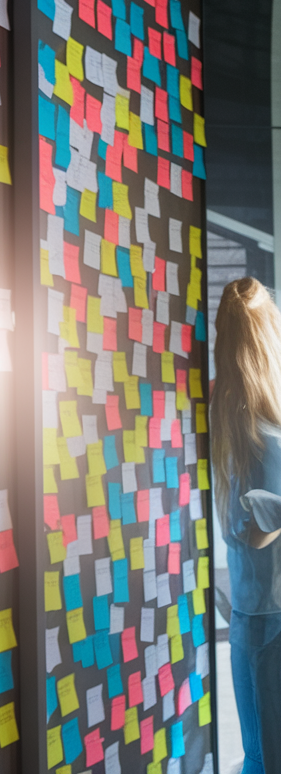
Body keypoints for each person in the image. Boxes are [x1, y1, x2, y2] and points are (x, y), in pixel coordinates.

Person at [209, 277, 281, 774]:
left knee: (261, 756)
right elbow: (251, 529)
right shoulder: (256, 429)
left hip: (259, 617)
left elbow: (248, 529)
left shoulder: (233, 422)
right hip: (260, 617)